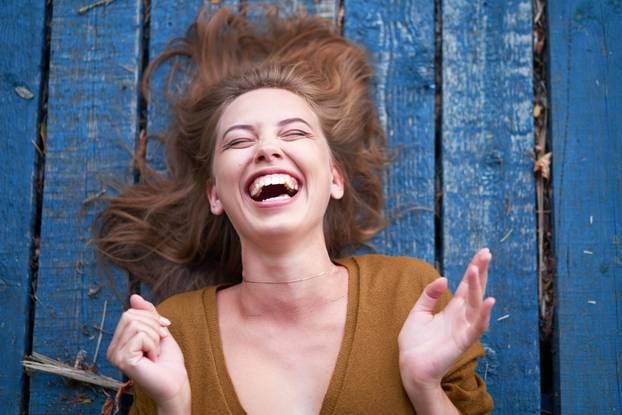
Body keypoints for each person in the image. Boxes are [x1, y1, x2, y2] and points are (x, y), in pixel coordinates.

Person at [98, 5, 495, 414]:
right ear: (215, 195)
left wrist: (424, 385)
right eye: (238, 141)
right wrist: (173, 405)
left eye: (295, 132)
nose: (268, 148)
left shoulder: (410, 295)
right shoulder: (173, 335)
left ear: (335, 179)